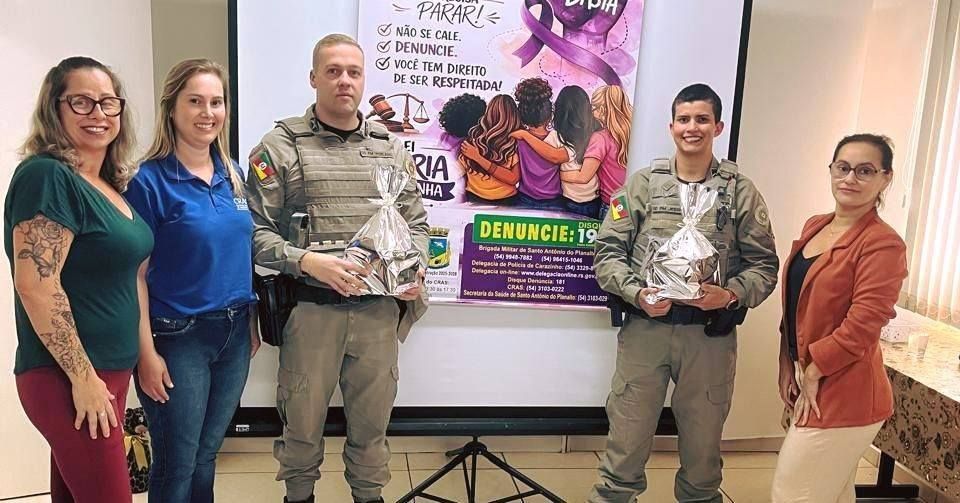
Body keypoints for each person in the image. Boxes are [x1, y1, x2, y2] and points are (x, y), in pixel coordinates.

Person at [244, 33, 430, 503]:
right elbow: (253, 233)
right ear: (314, 78)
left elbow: (417, 225)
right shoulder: (280, 147)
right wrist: (306, 261)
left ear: (364, 80)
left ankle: (369, 495)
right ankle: (299, 496)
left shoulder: (391, 149)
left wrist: (413, 269)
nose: (344, 81)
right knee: (301, 428)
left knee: (372, 428)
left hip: (376, 314)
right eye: (333, 71)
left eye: (353, 72)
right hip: (311, 312)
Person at [590, 83, 779, 503]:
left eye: (702, 119)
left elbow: (765, 265)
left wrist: (729, 295)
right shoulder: (642, 186)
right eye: (684, 119)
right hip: (646, 332)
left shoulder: (739, 192)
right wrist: (637, 293)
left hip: (708, 337)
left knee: (703, 449)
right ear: (671, 126)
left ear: (718, 127)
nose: (692, 127)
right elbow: (607, 253)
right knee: (626, 440)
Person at [4, 56, 153, 503]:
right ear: (55, 108)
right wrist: (83, 378)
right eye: (81, 102)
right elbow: (36, 285)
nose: (98, 114)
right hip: (68, 377)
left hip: (107, 372)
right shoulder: (47, 176)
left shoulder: (104, 182)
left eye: (108, 102)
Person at [124, 58, 259, 503]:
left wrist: (250, 323)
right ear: (172, 108)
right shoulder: (148, 181)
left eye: (216, 102)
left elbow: (240, 253)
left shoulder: (233, 173)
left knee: (205, 455)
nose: (208, 112)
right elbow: (134, 275)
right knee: (177, 463)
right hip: (177, 337)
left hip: (234, 334)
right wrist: (145, 354)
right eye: (195, 101)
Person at [771, 134, 907, 503]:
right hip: (810, 375)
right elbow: (796, 304)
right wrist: (787, 364)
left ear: (885, 178)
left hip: (848, 391)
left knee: (793, 494)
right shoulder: (817, 225)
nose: (850, 178)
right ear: (831, 170)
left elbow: (864, 324)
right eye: (843, 168)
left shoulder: (882, 243)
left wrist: (814, 371)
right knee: (832, 492)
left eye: (865, 171)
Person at [510, 85, 602, 218]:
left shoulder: (557, 137)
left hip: (538, 198)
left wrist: (525, 135)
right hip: (565, 199)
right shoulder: (559, 137)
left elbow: (555, 156)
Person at [561, 85, 632, 220]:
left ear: (602, 110)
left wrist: (557, 174)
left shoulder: (601, 138)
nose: (591, 112)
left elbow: (583, 177)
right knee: (622, 232)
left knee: (609, 233)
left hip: (612, 203)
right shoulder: (630, 132)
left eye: (593, 108)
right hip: (628, 202)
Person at [458, 94, 523, 205]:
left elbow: (513, 179)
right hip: (500, 200)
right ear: (513, 116)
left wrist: (478, 158)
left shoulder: (515, 141)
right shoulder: (475, 137)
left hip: (487, 200)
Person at [513, 77, 564, 210]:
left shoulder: (517, 138)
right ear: (550, 113)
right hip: (554, 201)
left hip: (524, 200)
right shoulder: (559, 138)